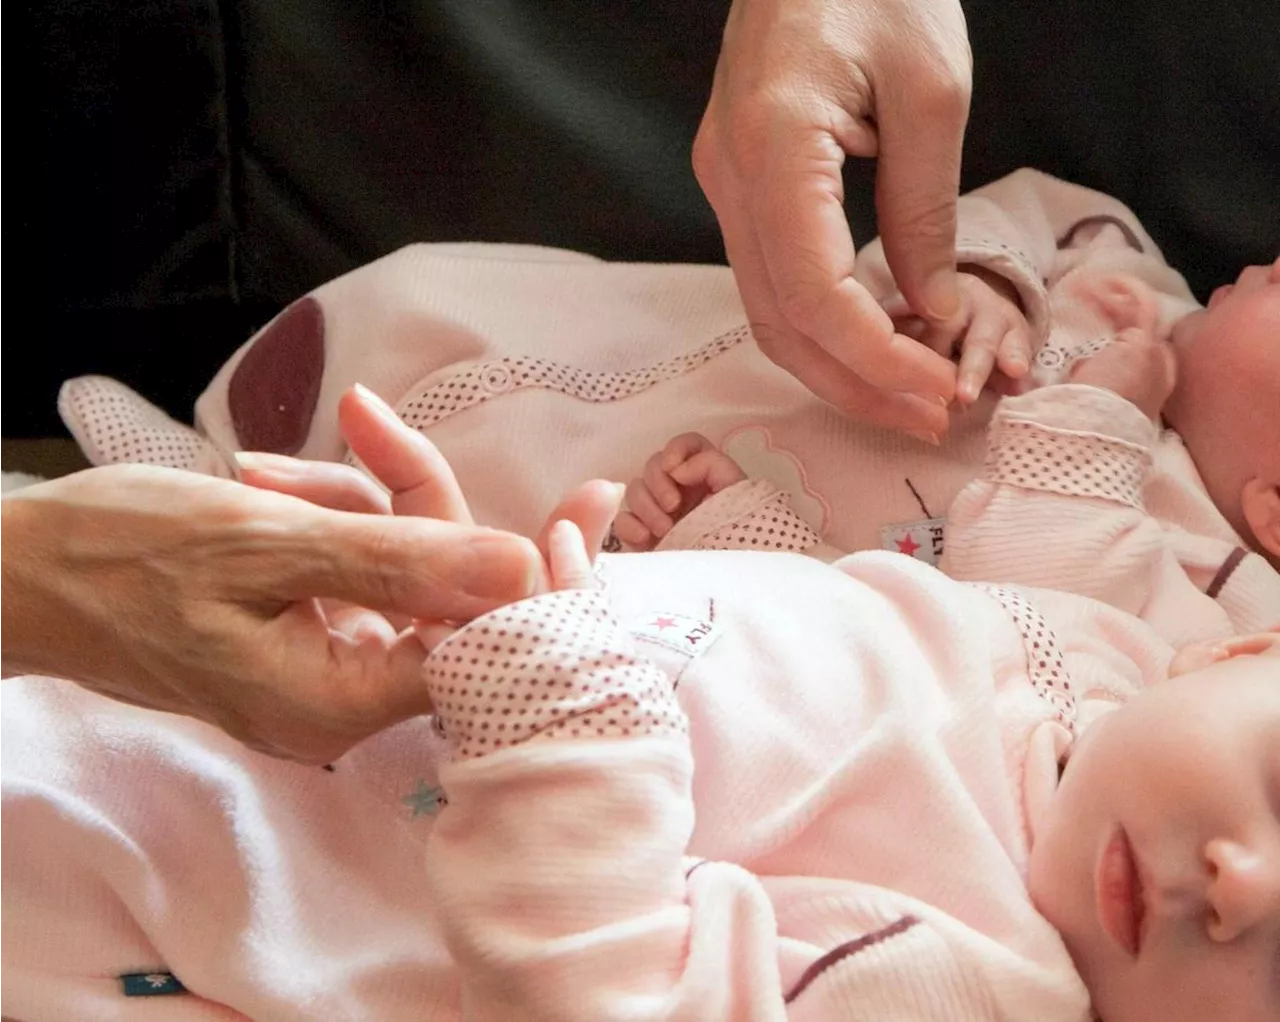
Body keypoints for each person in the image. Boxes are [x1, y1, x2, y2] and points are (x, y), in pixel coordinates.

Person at [2, 374, 1277, 1020]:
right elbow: (965, 562)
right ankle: (184, 507)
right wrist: (1107, 378)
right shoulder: (1109, 643)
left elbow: (622, 992)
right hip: (407, 674)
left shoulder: (989, 986)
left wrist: (562, 734)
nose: (1241, 888)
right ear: (1239, 655)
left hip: (239, 870)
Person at [5, 0, 977, 758]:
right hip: (613, 349)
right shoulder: (1108, 332)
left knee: (408, 558)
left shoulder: (1052, 691)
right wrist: (989, 284)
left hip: (577, 600)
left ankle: (197, 496)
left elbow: (832, 664)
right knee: (412, 348)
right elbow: (1073, 243)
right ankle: (196, 486)